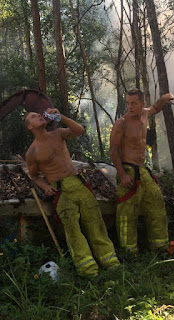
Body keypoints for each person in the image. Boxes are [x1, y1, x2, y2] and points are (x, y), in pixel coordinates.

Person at [25, 108, 120, 277]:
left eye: (38, 114)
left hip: (78, 183)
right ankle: (87, 270)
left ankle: (111, 263)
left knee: (95, 222)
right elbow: (34, 176)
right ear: (30, 127)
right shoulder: (32, 152)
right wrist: (45, 186)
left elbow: (79, 130)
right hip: (61, 190)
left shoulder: (58, 133)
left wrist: (60, 116)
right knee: (73, 231)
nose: (38, 115)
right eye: (34, 116)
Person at [110, 89, 174, 254]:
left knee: (156, 202)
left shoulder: (145, 114)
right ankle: (129, 251)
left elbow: (156, 107)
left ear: (141, 104)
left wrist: (163, 98)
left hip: (142, 169)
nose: (130, 106)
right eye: (128, 103)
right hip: (127, 170)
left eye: (133, 103)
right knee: (127, 212)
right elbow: (113, 150)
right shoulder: (122, 123)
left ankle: (159, 247)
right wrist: (123, 174)